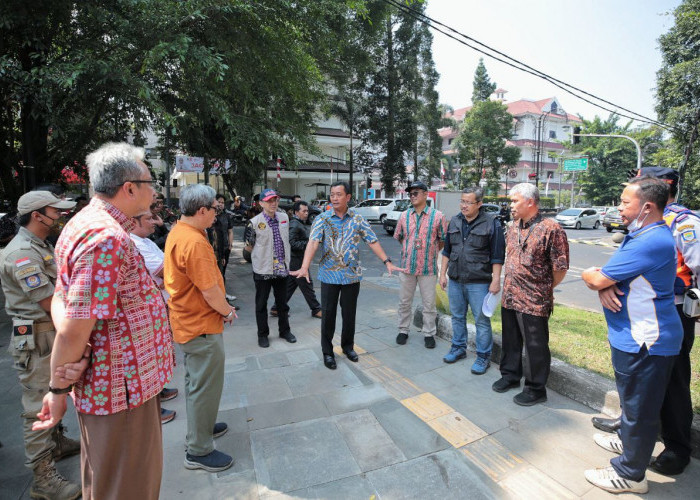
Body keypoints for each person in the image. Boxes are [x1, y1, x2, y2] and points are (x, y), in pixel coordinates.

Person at [32, 142, 175, 500]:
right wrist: (58, 385)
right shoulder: (106, 238)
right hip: (121, 390)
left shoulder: (89, 224)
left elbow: (64, 300)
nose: (154, 190)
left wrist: (65, 370)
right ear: (129, 187)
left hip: (123, 386)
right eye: (149, 181)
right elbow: (74, 325)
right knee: (128, 487)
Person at [591, 167, 699, 477]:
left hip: (672, 311)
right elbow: (617, 270)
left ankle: (677, 447)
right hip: (640, 309)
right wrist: (606, 285)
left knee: (671, 384)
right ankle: (634, 437)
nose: (623, 206)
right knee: (642, 388)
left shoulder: (682, 223)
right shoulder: (643, 225)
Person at [0, 190, 81, 500]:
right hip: (37, 337)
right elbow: (50, 301)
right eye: (54, 210)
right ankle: (42, 479)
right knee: (38, 409)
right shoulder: (21, 253)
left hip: (49, 332)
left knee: (54, 393)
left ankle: (56, 443)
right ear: (37, 215)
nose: (60, 214)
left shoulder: (40, 245)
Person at [292, 182, 404, 370]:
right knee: (328, 315)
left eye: (338, 194)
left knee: (349, 314)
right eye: (332, 195)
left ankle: (348, 347)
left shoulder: (358, 219)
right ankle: (328, 352)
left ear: (348, 197)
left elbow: (372, 240)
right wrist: (304, 266)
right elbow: (313, 243)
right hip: (329, 276)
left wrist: (387, 261)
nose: (334, 198)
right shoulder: (323, 219)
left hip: (351, 276)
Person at [164, 184, 236, 473]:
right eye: (214, 211)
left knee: (198, 384)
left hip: (190, 322)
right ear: (202, 210)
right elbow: (208, 290)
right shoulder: (193, 241)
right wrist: (227, 311)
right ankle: (199, 450)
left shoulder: (182, 231)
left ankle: (202, 429)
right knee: (204, 387)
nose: (216, 217)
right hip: (200, 324)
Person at [492, 183, 568, 406]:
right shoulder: (514, 226)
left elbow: (560, 268)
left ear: (530, 202)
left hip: (534, 300)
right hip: (510, 296)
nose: (511, 205)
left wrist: (542, 289)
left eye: (514, 201)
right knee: (511, 341)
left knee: (535, 346)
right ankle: (510, 376)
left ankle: (536, 388)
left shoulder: (551, 229)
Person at [439, 187, 504, 374]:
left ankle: (483, 357)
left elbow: (497, 256)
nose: (464, 205)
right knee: (457, 317)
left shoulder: (491, 224)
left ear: (479, 204)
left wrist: (496, 280)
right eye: (462, 201)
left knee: (482, 321)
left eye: (468, 202)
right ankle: (458, 348)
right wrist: (442, 274)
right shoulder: (455, 221)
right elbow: (447, 251)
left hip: (479, 282)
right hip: (456, 280)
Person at [130, 208, 179, 425]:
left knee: (158, 353)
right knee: (146, 358)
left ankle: (158, 390)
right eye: (148, 219)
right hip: (145, 310)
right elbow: (164, 270)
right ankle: (151, 407)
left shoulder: (146, 241)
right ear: (134, 222)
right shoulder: (134, 243)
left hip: (158, 305)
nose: (154, 222)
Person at [393, 181, 447, 349]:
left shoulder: (438, 216)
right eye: (410, 193)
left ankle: (429, 333)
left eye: (416, 192)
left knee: (429, 304)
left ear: (425, 194)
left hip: (428, 268)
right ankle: (403, 330)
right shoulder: (403, 216)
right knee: (404, 301)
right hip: (407, 267)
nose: (412, 196)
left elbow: (442, 241)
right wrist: (410, 250)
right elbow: (400, 237)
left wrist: (428, 252)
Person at [244, 188, 296, 348]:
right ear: (261, 203)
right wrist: (262, 256)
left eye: (275, 200)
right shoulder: (253, 223)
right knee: (261, 304)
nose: (273, 203)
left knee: (282, 303)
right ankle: (262, 334)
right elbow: (248, 247)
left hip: (281, 268)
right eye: (269, 201)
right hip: (263, 270)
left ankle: (285, 331)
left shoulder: (284, 218)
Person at [270, 200, 322, 318]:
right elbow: (291, 243)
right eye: (303, 211)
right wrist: (308, 244)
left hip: (296, 259)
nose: (306, 213)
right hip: (296, 260)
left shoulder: (298, 223)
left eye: (307, 211)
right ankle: (316, 309)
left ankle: (276, 308)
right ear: (296, 212)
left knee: (290, 285)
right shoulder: (294, 224)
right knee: (307, 284)